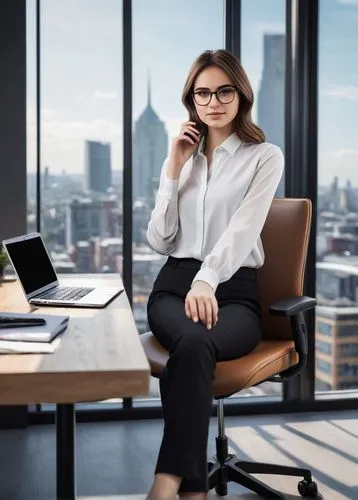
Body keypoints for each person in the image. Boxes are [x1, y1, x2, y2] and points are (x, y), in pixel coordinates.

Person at [145, 49, 284, 500]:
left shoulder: (263, 157)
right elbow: (160, 241)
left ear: (241, 95)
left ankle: (170, 484)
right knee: (190, 340)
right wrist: (173, 169)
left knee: (195, 342)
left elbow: (244, 229)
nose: (213, 101)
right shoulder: (184, 159)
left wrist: (209, 279)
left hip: (235, 290)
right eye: (202, 93)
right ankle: (188, 489)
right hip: (173, 287)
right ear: (192, 101)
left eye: (224, 90)